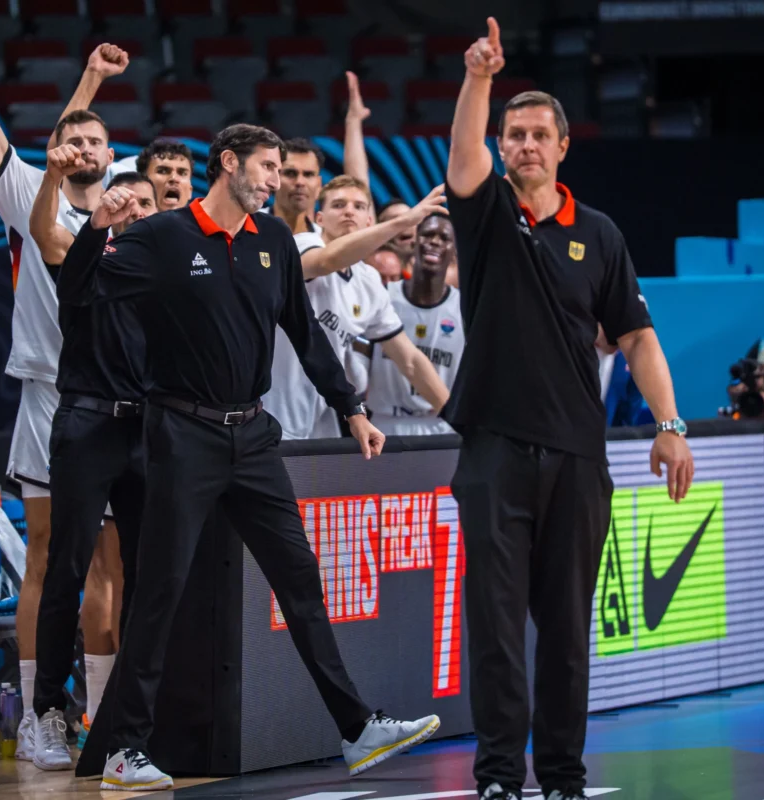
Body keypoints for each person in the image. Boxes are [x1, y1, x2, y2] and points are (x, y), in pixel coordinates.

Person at [68, 123, 440, 790]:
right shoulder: (164, 236)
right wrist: (97, 229)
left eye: (280, 168)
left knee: (300, 580)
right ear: (229, 164)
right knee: (160, 591)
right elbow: (78, 290)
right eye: (267, 167)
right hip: (181, 434)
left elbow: (305, 332)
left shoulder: (272, 241)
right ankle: (124, 750)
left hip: (254, 436)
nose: (275, 179)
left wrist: (351, 407)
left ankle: (357, 729)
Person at [445, 19, 693, 800]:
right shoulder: (485, 212)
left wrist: (670, 426)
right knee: (494, 631)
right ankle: (497, 779)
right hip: (493, 451)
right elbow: (461, 158)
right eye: (513, 135)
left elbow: (638, 337)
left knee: (566, 634)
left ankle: (562, 778)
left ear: (562, 147)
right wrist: (480, 78)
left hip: (579, 459)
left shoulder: (600, 234)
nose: (523, 145)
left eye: (537, 135)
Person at [0, 0, 132, 759]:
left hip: (120, 402)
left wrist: (91, 81)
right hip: (49, 397)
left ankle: (103, 717)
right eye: (75, 140)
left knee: (110, 563)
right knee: (45, 554)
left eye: (97, 139)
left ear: (113, 153)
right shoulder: (27, 198)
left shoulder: (132, 211)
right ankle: (40, 721)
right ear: (57, 151)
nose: (85, 147)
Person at [26, 162, 156, 772]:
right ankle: (46, 712)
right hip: (86, 424)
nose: (137, 212)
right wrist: (98, 224)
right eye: (127, 203)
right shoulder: (89, 260)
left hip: (146, 432)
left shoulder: (170, 277)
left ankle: (125, 719)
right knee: (67, 567)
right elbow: (71, 282)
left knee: (144, 573)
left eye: (146, 205)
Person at [263, 175, 450, 440]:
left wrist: (457, 418)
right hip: (270, 410)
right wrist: (403, 222)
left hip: (319, 415)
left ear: (369, 221)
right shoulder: (302, 243)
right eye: (339, 205)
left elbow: (410, 360)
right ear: (319, 218)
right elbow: (328, 261)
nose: (349, 211)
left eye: (359, 206)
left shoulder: (369, 280)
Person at [367, 214, 464, 436]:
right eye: (428, 234)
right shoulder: (383, 296)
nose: (435, 242)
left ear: (454, 252)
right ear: (414, 243)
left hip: (440, 424)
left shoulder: (464, 309)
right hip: (384, 422)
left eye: (444, 238)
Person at [107, 139, 193, 211]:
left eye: (182, 173)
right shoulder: (117, 224)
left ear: (190, 190)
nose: (174, 178)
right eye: (162, 171)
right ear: (142, 183)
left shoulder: (198, 226)